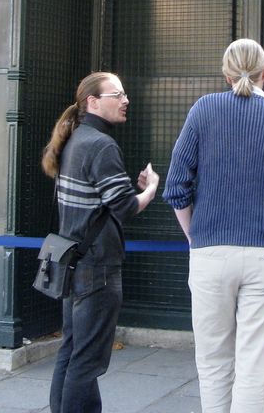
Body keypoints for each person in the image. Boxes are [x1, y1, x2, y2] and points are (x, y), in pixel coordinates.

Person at [163, 39, 264, 413]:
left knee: (213, 363)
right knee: (254, 367)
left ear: (226, 74)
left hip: (210, 255)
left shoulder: (204, 110)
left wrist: (195, 236)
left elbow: (175, 187)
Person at [42, 72, 161, 413]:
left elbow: (106, 199)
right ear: (93, 102)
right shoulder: (101, 144)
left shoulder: (76, 140)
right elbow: (124, 207)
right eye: (117, 94)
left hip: (73, 262)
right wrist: (150, 188)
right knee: (87, 361)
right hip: (98, 267)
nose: (125, 100)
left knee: (72, 351)